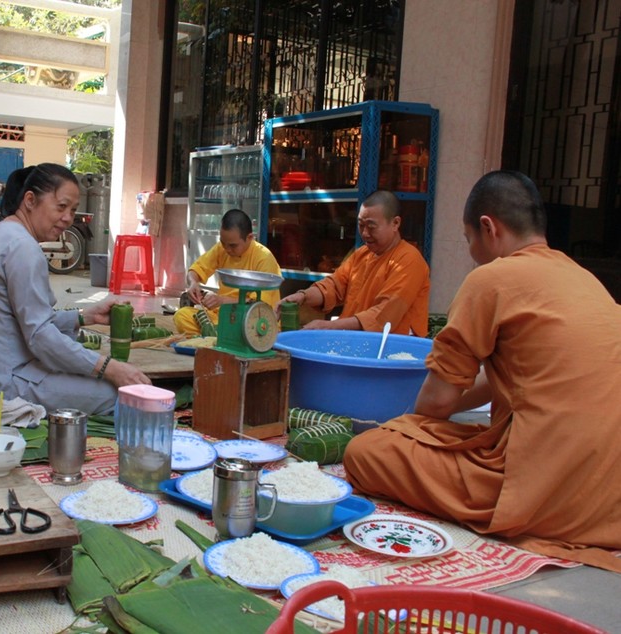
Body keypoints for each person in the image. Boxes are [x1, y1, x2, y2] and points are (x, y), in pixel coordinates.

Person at [343, 171, 621, 572]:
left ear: (488, 228)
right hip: (610, 498)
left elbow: (435, 406)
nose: (472, 251)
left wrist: (404, 422)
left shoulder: (491, 279)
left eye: (469, 239)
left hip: (546, 492)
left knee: (369, 450)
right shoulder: (586, 281)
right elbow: (510, 381)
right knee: (454, 433)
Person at [0, 163, 150, 415]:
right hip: (5, 384)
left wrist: (84, 317)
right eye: (61, 206)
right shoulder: (22, 248)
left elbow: (27, 321)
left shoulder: (6, 235)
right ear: (30, 200)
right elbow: (40, 336)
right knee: (123, 395)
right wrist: (109, 368)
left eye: (73, 210)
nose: (68, 218)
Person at [280, 190, 430, 335]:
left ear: (395, 223)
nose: (365, 233)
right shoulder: (362, 254)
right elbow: (334, 285)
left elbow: (384, 315)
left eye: (371, 227)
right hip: (355, 342)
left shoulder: (409, 260)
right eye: (361, 225)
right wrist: (303, 296)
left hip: (391, 347)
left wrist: (329, 326)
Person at [173, 208, 282, 335]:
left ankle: (216, 335)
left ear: (249, 237)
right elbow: (197, 269)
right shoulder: (222, 248)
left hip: (252, 319)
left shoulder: (264, 258)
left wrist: (222, 300)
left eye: (233, 245)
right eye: (223, 243)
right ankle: (218, 334)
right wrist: (193, 283)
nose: (227, 249)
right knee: (181, 316)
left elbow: (258, 303)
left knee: (248, 328)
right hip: (223, 316)